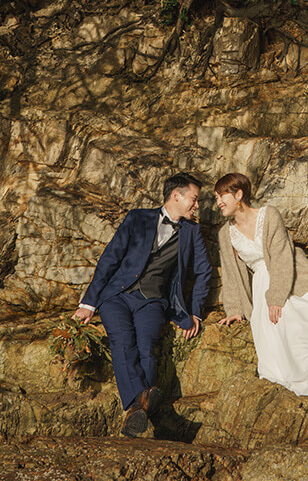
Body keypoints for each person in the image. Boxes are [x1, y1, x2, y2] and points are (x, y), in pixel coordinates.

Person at [72, 172, 212, 437]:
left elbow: (204, 271)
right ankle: (142, 403)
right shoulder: (138, 218)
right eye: (194, 200)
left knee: (147, 345)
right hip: (117, 296)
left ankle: (135, 411)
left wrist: (195, 312)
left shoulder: (192, 231)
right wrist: (89, 304)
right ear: (176, 196)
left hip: (153, 299)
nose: (197, 206)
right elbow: (109, 260)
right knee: (122, 340)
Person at [214, 172, 308, 399]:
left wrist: (276, 297)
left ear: (239, 195)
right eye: (216, 198)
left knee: (298, 313)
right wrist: (234, 310)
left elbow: (282, 256)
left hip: (291, 275)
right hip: (262, 282)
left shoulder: (268, 215)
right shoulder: (225, 233)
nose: (218, 203)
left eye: (222, 196)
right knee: (279, 324)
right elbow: (232, 273)